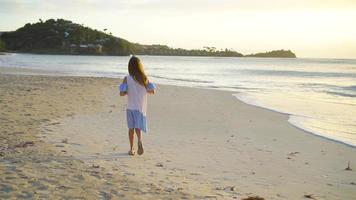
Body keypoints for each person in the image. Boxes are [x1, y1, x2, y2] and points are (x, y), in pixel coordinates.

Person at [119, 56, 155, 156]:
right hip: (140, 108)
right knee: (137, 128)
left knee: (131, 128)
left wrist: (126, 91)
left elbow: (122, 93)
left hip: (130, 107)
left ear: (130, 66)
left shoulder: (127, 78)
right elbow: (152, 91)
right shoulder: (144, 78)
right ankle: (139, 140)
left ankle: (131, 149)